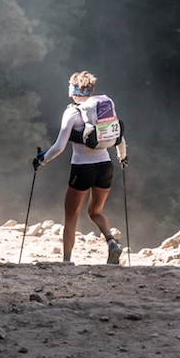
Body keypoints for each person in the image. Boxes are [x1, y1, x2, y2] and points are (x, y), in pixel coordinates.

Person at [32, 71, 128, 264]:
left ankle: (67, 261)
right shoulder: (102, 108)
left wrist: (42, 161)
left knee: (71, 217)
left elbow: (59, 147)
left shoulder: (72, 112)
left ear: (72, 90)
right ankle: (112, 243)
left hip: (82, 168)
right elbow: (119, 137)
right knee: (95, 212)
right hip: (106, 166)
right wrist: (122, 157)